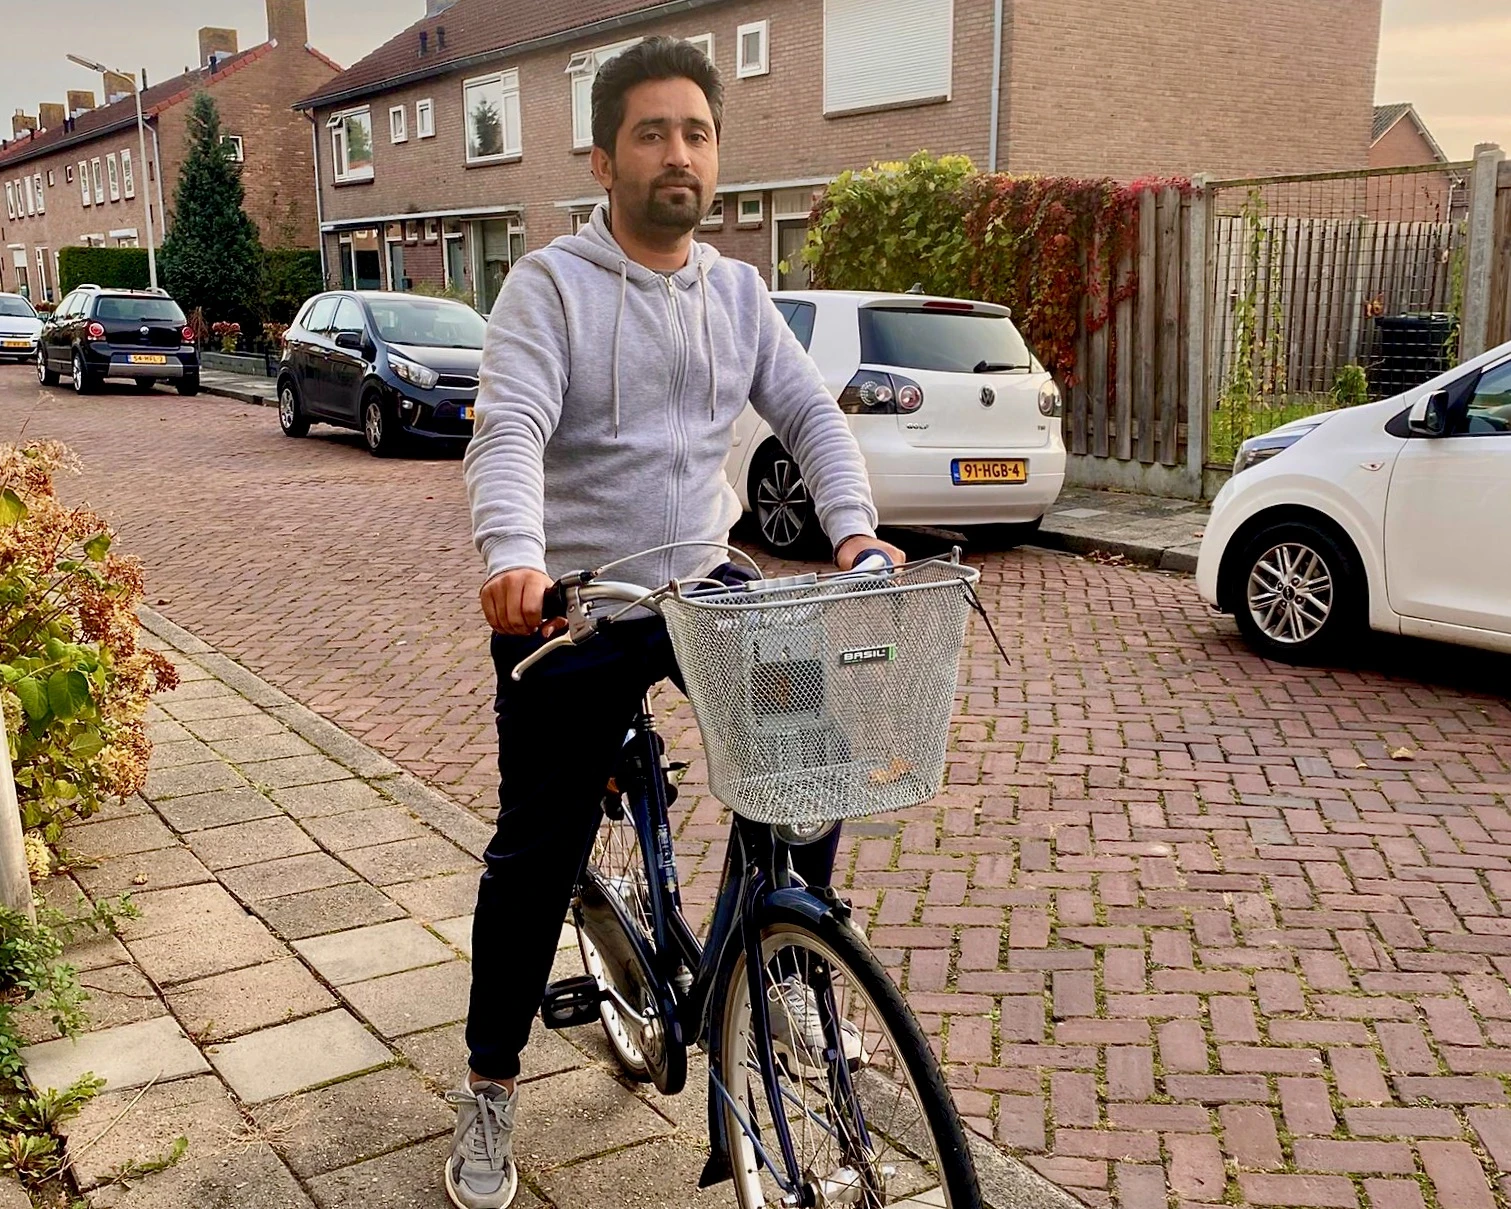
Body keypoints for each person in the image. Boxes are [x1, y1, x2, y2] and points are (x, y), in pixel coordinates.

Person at [451, 35, 905, 1209]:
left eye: (695, 132)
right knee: (533, 855)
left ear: (715, 155)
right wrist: (511, 558)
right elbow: (508, 431)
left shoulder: (740, 291)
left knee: (807, 754)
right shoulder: (548, 288)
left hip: (701, 583)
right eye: (651, 133)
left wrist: (851, 532)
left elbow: (807, 413)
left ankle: (790, 961)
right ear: (602, 159)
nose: (677, 154)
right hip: (574, 600)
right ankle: (489, 1086)